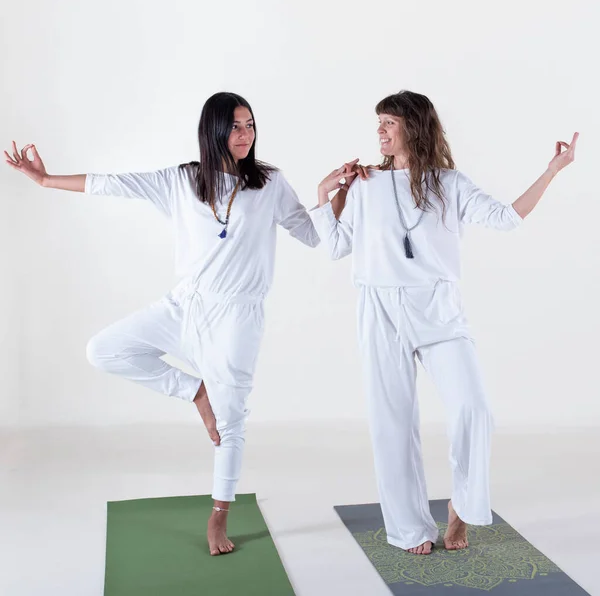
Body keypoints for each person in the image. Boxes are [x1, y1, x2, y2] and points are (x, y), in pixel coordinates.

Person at [4, 91, 325, 556]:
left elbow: (313, 235)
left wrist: (328, 199)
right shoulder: (182, 180)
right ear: (213, 130)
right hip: (184, 306)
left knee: (232, 420)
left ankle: (219, 515)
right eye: (235, 126)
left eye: (250, 125)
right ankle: (196, 392)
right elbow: (114, 183)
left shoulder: (270, 183)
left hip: (236, 317)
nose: (245, 134)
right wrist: (47, 181)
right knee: (104, 349)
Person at [312, 90, 578, 555]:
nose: (379, 131)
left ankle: (462, 508)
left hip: (438, 307)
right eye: (378, 122)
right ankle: (409, 528)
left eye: (388, 122)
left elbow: (506, 218)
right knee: (391, 422)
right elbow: (335, 246)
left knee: (474, 408)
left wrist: (552, 171)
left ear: (414, 127)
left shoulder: (447, 183)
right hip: (379, 306)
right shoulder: (365, 182)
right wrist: (326, 195)